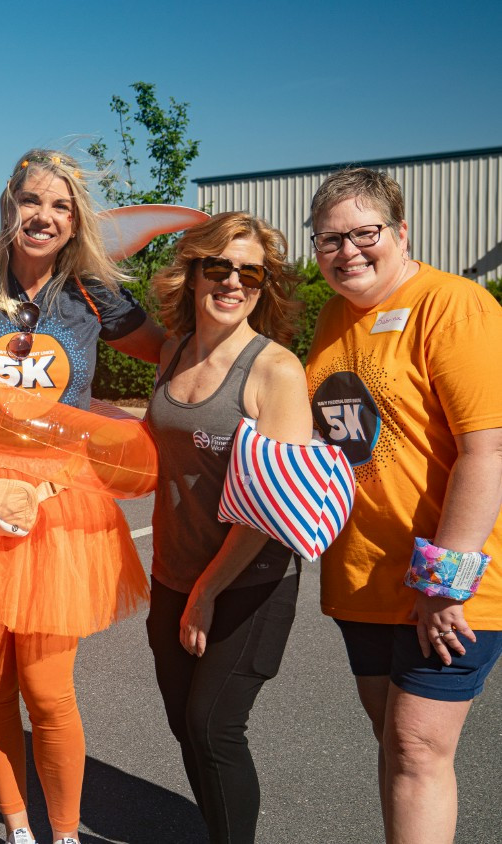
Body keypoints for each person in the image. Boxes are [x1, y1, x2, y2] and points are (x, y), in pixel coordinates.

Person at [0, 149, 163, 844]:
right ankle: (19, 830)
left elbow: (174, 358)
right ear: (9, 204)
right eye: (31, 201)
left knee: (49, 693)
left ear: (75, 218)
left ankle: (66, 833)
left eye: (60, 205)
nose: (43, 216)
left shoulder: (90, 293)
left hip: (59, 506)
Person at [304, 168, 502, 843]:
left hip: (448, 583)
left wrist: (444, 585)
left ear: (401, 231)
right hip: (363, 575)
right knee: (395, 745)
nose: (348, 252)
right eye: (330, 239)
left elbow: (488, 452)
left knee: (418, 748)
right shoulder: (333, 317)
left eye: (365, 233)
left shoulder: (454, 305)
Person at [142, 212, 311, 844]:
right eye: (219, 267)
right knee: (185, 725)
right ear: (192, 275)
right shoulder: (172, 351)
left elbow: (273, 508)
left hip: (247, 582)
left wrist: (208, 593)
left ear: (265, 286)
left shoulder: (276, 372)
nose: (234, 282)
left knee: (214, 726)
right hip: (173, 573)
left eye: (251, 273)